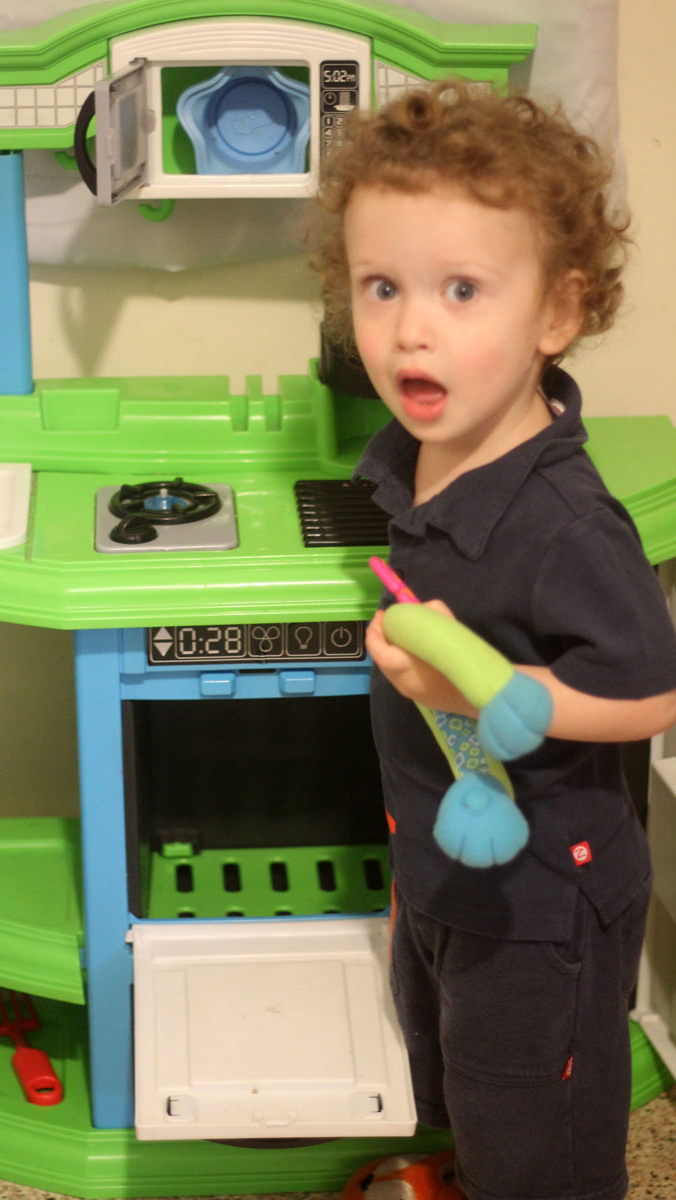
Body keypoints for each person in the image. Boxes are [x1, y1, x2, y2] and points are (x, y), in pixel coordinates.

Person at [306, 80, 676, 1200]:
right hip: (443, 862)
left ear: (554, 316)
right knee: (465, 1080)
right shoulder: (421, 450)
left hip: (541, 904)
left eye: (460, 289)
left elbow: (651, 689)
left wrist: (494, 691)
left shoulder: (565, 524)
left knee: (538, 1126)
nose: (409, 326)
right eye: (381, 287)